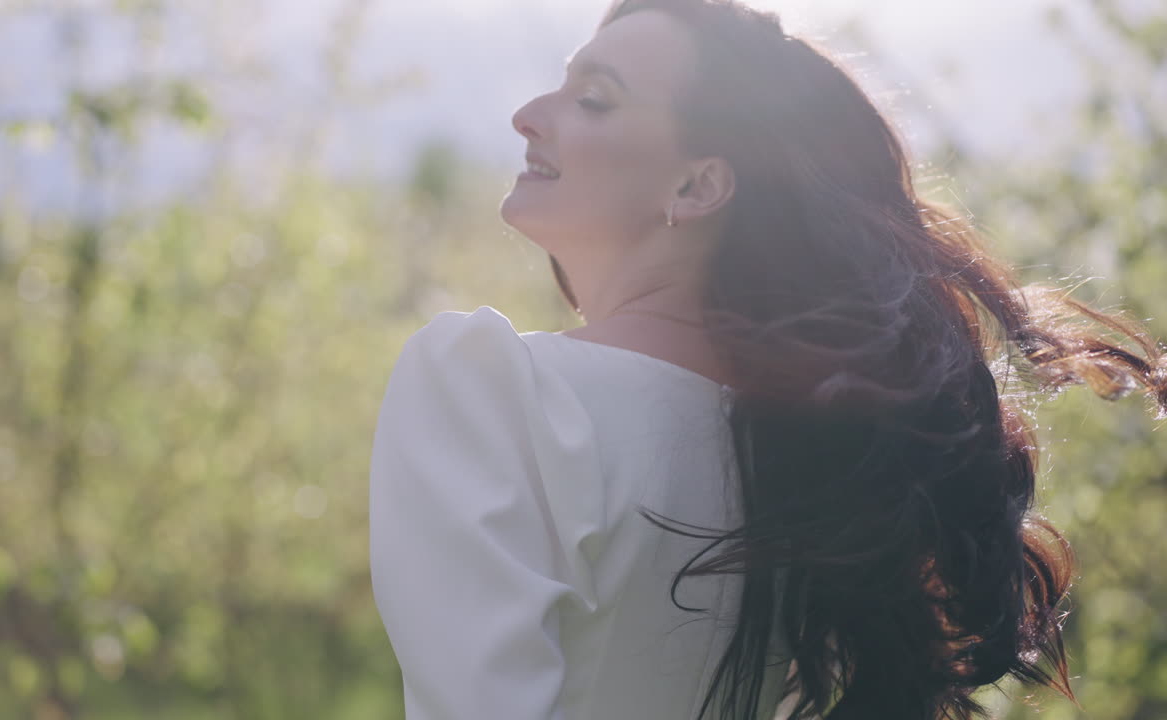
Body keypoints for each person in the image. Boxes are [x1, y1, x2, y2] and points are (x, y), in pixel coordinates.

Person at [368, 1, 1167, 718]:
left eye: (594, 98)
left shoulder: (486, 389)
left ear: (697, 185)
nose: (526, 115)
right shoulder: (811, 450)